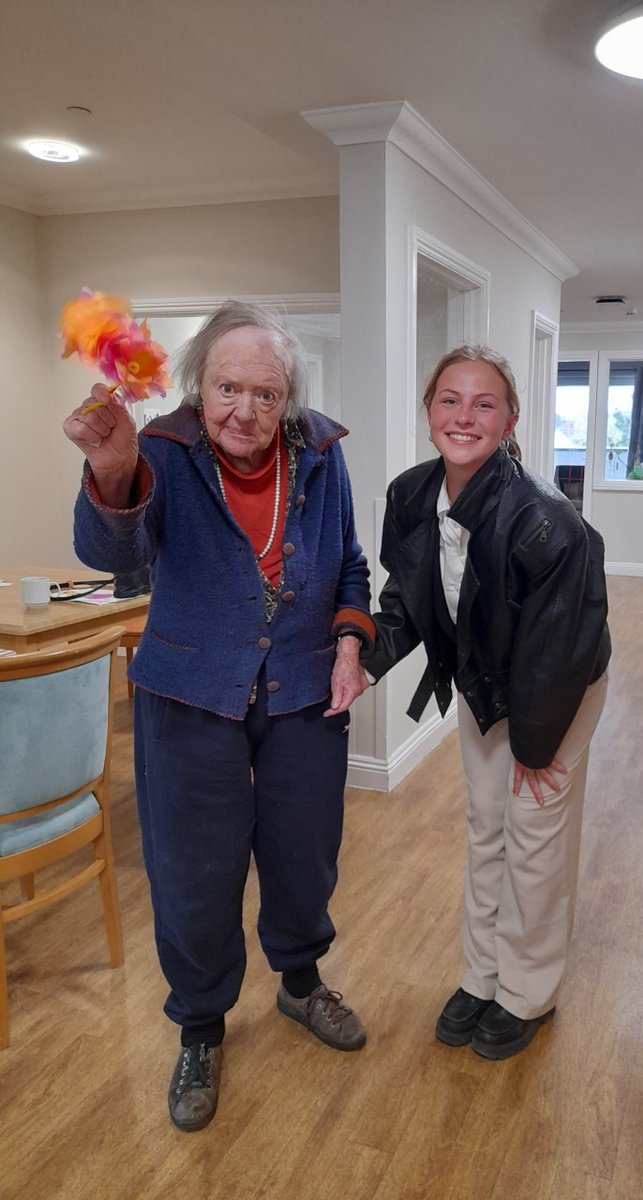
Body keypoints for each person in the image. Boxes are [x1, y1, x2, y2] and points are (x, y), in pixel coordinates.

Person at [64, 301, 374, 1132]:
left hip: (303, 689)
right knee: (193, 869)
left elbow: (349, 561)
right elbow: (117, 560)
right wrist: (114, 472)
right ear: (201, 384)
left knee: (305, 852)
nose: (245, 409)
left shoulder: (322, 453)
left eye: (265, 393)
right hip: (188, 694)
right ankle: (200, 1027)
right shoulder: (160, 447)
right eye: (228, 387)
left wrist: (351, 642)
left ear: (290, 399)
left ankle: (301, 986)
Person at [361, 345, 611, 1061]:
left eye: (483, 403)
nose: (463, 416)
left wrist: (534, 747)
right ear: (429, 409)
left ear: (510, 420)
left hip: (558, 689)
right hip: (486, 680)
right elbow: (406, 599)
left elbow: (558, 650)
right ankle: (483, 975)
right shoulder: (411, 495)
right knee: (487, 823)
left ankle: (526, 992)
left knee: (533, 832)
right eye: (449, 400)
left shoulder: (546, 519)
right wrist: (365, 661)